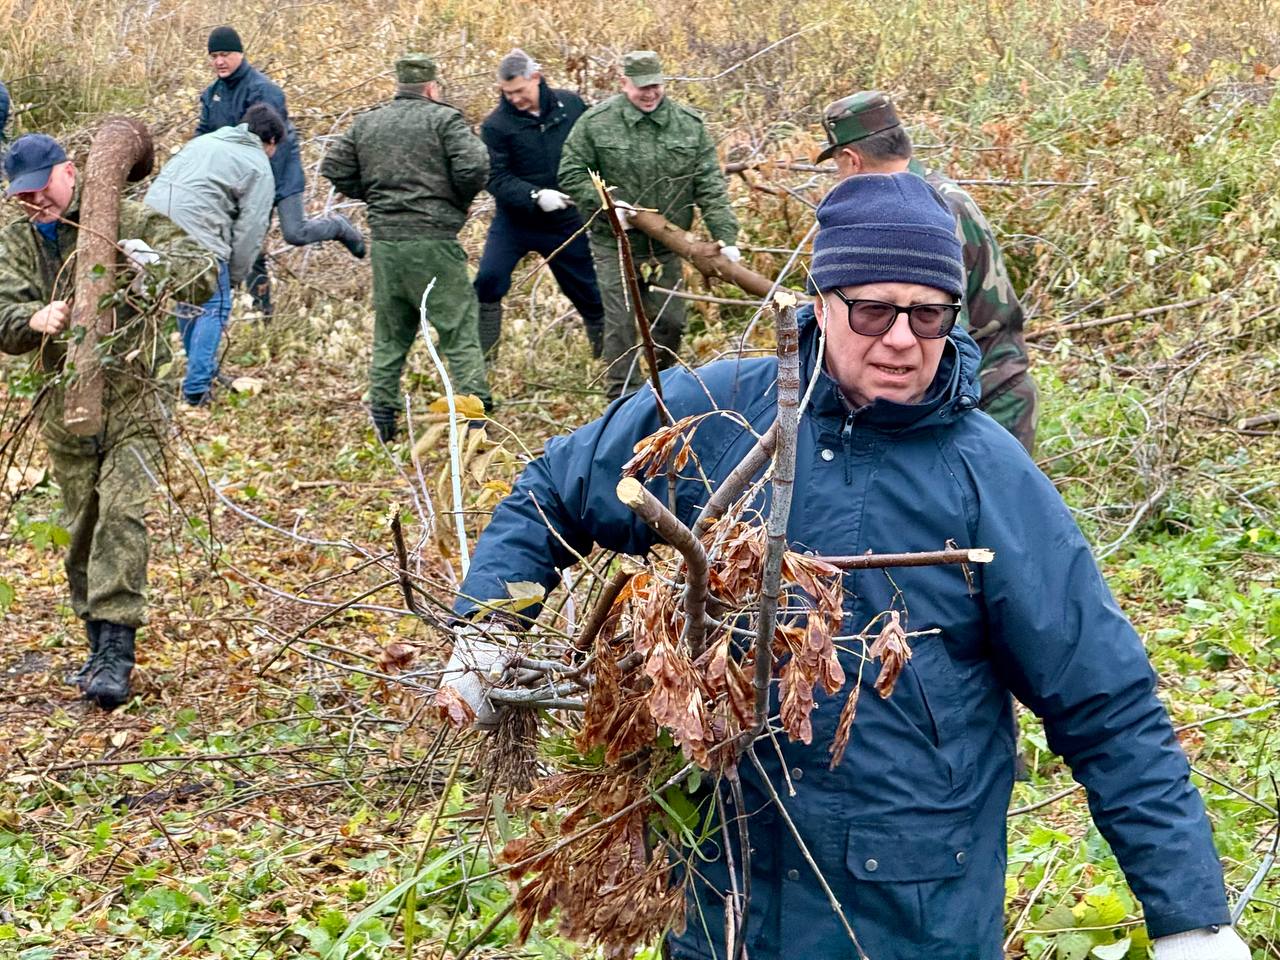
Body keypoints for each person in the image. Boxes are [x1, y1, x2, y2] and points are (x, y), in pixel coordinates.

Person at [442, 173, 1248, 959]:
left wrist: (1191, 919)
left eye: (929, 315)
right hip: (727, 905)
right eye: (873, 310)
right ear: (820, 302)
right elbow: (551, 489)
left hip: (909, 918)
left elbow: (1105, 701)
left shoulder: (987, 476)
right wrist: (487, 630)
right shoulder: (716, 418)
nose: (902, 338)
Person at [0, 133, 215, 709]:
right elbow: (1, 313)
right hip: (62, 401)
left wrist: (153, 264)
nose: (33, 204)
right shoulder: (17, 242)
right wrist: (32, 317)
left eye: (41, 190)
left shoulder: (126, 217)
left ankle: (117, 650)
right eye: (21, 197)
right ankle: (95, 639)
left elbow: (205, 274)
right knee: (82, 525)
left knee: (122, 510)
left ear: (69, 172)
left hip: (135, 395)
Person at [817, 91, 1039, 453]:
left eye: (837, 167)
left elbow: (945, 333)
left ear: (851, 160)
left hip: (985, 405)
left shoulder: (923, 216)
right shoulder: (934, 194)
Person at [320, 53, 492, 442]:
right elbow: (475, 166)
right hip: (433, 241)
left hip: (385, 245)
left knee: (390, 334)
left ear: (399, 85)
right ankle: (477, 418)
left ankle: (383, 416)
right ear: (432, 87)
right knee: (458, 330)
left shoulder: (368, 122)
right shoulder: (444, 119)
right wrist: (453, 201)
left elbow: (334, 167)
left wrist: (375, 197)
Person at [558, 51, 740, 399]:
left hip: (667, 246)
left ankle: (664, 390)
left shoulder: (688, 124)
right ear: (623, 82)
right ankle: (621, 401)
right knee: (621, 324)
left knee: (671, 322)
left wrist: (726, 237)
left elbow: (710, 186)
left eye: (655, 86)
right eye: (641, 87)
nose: (649, 94)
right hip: (615, 243)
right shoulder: (596, 123)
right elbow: (571, 172)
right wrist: (609, 204)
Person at [197, 25, 364, 317]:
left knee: (295, 233)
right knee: (250, 246)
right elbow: (204, 133)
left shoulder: (264, 91)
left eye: (225, 54)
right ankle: (264, 312)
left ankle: (338, 227)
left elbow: (266, 138)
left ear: (240, 54)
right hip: (243, 181)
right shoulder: (212, 95)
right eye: (214, 56)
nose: (219, 62)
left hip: (280, 174)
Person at [144, 102, 281, 405]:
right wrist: (234, 275)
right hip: (196, 232)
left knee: (188, 298)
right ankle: (196, 388)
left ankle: (202, 370)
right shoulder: (258, 164)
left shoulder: (205, 141)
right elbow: (251, 231)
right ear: (270, 142)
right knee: (215, 303)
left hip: (152, 225)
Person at [474, 49, 603, 359]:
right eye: (508, 93)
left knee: (590, 293)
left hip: (566, 221)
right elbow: (495, 177)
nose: (515, 98)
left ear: (536, 77)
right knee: (489, 280)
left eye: (520, 90)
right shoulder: (496, 125)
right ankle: (484, 358)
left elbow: (593, 150)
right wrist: (534, 196)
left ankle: (606, 354)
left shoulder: (570, 105)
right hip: (515, 222)